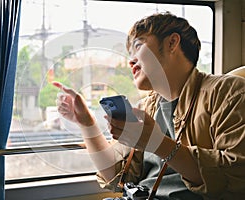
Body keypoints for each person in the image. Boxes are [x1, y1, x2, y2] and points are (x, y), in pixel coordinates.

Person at [53, 12, 245, 200]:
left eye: (138, 46)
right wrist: (86, 123)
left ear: (172, 43)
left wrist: (158, 143)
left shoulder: (228, 92)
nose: (130, 60)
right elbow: (116, 176)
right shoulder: (148, 106)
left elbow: (235, 179)